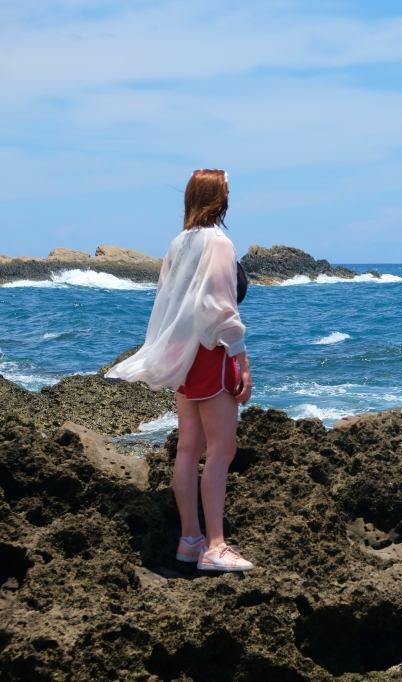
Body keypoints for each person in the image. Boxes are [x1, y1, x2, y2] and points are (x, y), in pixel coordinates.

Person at [107, 169, 255, 572]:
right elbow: (221, 310)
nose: (230, 192)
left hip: (183, 354)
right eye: (226, 187)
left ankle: (190, 540)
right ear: (217, 197)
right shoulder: (220, 243)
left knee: (189, 448)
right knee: (222, 451)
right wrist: (241, 361)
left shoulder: (179, 242)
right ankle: (216, 545)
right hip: (210, 351)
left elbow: (167, 300)